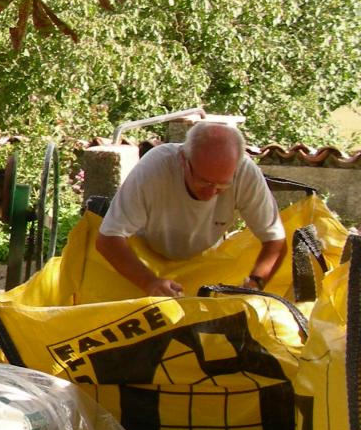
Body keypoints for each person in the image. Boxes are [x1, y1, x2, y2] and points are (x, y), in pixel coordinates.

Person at [95, 121, 286, 298]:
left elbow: (275, 240)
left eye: (222, 186)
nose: (211, 193)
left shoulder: (246, 172)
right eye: (203, 181)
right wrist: (150, 282)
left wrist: (255, 284)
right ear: (183, 161)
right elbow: (108, 239)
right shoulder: (154, 168)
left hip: (204, 262)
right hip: (142, 260)